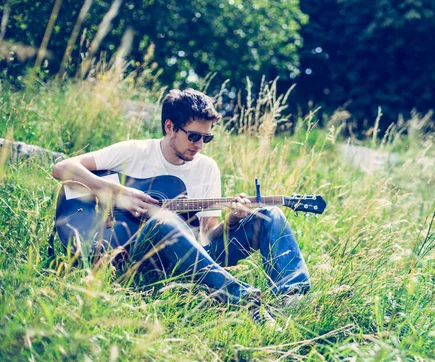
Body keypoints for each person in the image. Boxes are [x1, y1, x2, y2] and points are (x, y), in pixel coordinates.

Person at [51, 89, 310, 321]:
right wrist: (119, 192)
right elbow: (62, 168)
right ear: (169, 126)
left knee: (270, 215)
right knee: (163, 219)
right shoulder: (135, 151)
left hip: (187, 258)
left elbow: (207, 236)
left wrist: (231, 222)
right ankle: (245, 301)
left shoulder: (207, 168)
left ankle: (292, 300)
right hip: (134, 256)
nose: (199, 145)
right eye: (194, 136)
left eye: (206, 138)